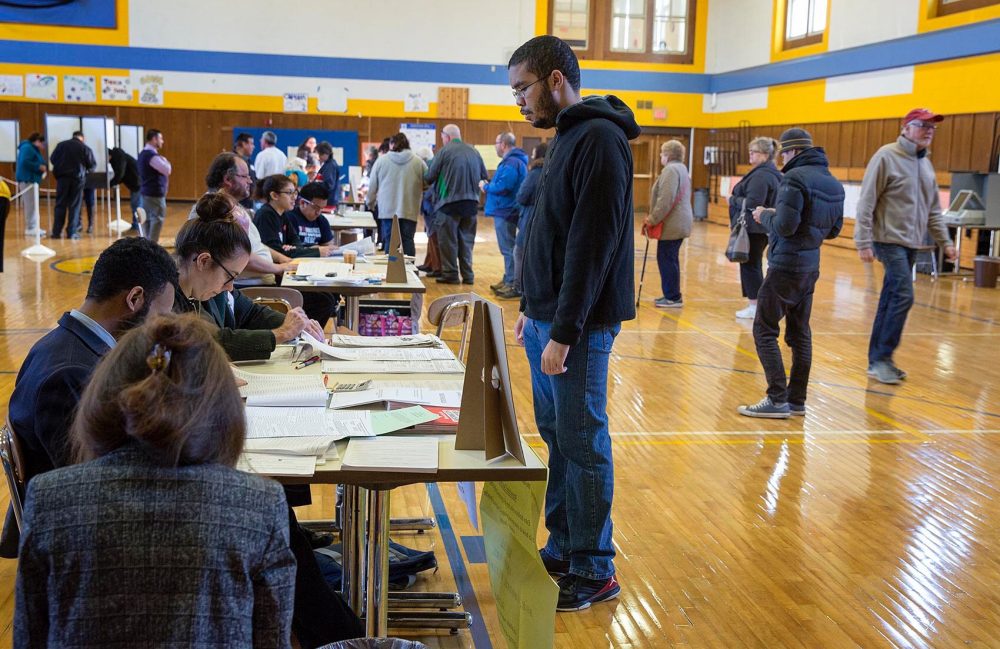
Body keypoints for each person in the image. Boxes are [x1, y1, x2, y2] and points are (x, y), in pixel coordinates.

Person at [14, 314, 296, 648]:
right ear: (220, 409)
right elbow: (271, 638)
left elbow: (30, 637)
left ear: (103, 396)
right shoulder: (260, 505)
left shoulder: (50, 499)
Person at [508, 35, 639, 611]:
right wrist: (530, 309)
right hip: (547, 317)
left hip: (577, 328)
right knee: (559, 438)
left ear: (555, 80)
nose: (518, 101)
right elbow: (547, 231)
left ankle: (593, 566)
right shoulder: (565, 137)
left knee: (583, 443)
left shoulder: (600, 139)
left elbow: (592, 245)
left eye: (523, 88)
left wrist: (562, 329)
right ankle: (565, 546)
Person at [1, 237, 178, 558]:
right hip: (83, 534)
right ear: (135, 298)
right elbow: (97, 487)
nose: (157, 330)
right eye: (159, 316)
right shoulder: (69, 373)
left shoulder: (66, 344)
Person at [738, 128, 844, 419]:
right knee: (799, 334)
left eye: (784, 153)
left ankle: (776, 398)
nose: (782, 158)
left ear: (793, 151)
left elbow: (784, 227)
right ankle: (797, 400)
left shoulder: (794, 178)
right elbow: (834, 230)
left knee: (764, 329)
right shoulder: (833, 182)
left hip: (785, 265)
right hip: (811, 266)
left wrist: (765, 215)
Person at [854, 108, 957, 385]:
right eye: (922, 125)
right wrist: (863, 241)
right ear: (906, 128)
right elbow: (866, 202)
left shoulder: (925, 164)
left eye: (932, 127)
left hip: (912, 242)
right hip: (887, 240)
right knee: (903, 295)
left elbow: (934, 210)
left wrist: (945, 242)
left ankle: (878, 360)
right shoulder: (886, 156)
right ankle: (882, 359)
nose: (929, 131)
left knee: (891, 297)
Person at [173, 192, 324, 362]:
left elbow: (249, 313)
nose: (230, 287)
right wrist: (280, 333)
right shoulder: (173, 296)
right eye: (229, 276)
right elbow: (214, 341)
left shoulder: (205, 282)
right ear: (203, 261)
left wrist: (296, 326)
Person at [254, 177, 340, 328]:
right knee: (324, 300)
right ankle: (303, 334)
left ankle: (307, 333)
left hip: (286, 272)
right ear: (274, 195)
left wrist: (292, 250)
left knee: (330, 294)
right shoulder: (266, 215)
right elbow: (277, 252)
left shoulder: (284, 215)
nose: (294, 197)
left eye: (295, 192)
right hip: (274, 277)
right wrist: (314, 251)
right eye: (289, 193)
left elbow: (296, 245)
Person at [423, 124, 488, 285]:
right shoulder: (474, 151)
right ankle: (468, 275)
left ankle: (451, 274)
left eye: (442, 137)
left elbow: (429, 176)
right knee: (466, 241)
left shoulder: (444, 152)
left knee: (448, 241)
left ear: (447, 136)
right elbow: (484, 175)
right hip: (471, 204)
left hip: (448, 204)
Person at [729, 136, 782, 319]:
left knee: (750, 265)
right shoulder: (769, 172)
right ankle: (757, 304)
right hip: (760, 228)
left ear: (765, 155)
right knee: (753, 264)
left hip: (754, 228)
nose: (750, 155)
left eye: (754, 152)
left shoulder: (761, 176)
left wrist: (733, 199)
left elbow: (753, 202)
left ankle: (755, 305)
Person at [643, 139, 693, 308]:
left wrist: (653, 218)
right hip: (680, 222)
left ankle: (672, 296)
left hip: (673, 223)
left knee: (666, 258)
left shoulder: (671, 170)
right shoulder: (682, 168)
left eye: (662, 153)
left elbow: (666, 198)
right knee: (670, 257)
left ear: (668, 155)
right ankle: (672, 294)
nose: (660, 156)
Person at [499, 142, 547, 299]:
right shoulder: (552, 171)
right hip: (544, 219)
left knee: (518, 251)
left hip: (530, 218)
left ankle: (517, 287)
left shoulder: (535, 173)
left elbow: (522, 196)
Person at [367, 131, 427, 256]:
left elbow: (372, 186)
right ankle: (410, 273)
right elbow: (427, 183)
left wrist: (370, 204)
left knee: (390, 241)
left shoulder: (381, 161)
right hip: (409, 209)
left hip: (387, 211)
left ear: (392, 144)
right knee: (408, 240)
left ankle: (391, 272)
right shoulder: (418, 162)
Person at [483, 132, 529, 295]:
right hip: (508, 209)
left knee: (508, 248)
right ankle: (508, 278)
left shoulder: (511, 162)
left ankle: (511, 282)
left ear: (503, 144)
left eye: (496, 143)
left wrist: (486, 187)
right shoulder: (515, 161)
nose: (495, 146)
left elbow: (504, 186)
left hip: (506, 210)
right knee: (509, 248)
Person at [49, 131, 96, 239]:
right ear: (82, 138)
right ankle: (71, 232)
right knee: (74, 206)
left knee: (60, 205)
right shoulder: (84, 148)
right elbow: (92, 165)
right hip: (77, 180)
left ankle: (56, 232)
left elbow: (52, 159)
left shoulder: (61, 145)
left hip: (62, 179)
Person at [137, 128, 172, 242]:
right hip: (154, 193)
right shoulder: (151, 156)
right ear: (154, 139)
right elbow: (167, 170)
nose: (162, 141)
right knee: (157, 219)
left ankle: (147, 244)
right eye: (160, 138)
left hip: (146, 192)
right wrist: (165, 160)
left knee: (147, 219)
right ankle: (152, 245)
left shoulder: (143, 153)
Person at [15, 132, 47, 237]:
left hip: (32, 180)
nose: (43, 147)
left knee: (33, 204)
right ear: (38, 142)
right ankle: (30, 228)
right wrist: (39, 167)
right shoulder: (27, 148)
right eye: (43, 144)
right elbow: (25, 162)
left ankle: (34, 226)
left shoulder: (31, 148)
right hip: (27, 179)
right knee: (30, 205)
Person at [109, 146, 142, 232]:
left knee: (136, 205)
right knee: (136, 205)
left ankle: (137, 226)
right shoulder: (119, 156)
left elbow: (120, 173)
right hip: (136, 183)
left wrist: (111, 183)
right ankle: (137, 225)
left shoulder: (119, 158)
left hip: (137, 184)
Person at [233, 131, 257, 211]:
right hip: (237, 205)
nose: (253, 147)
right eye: (251, 143)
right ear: (243, 144)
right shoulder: (231, 161)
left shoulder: (248, 161)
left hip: (249, 204)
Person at [315, 141, 341, 207]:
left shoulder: (330, 166)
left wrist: (314, 186)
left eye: (319, 154)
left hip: (328, 202)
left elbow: (328, 185)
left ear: (326, 154)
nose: (318, 157)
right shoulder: (328, 164)